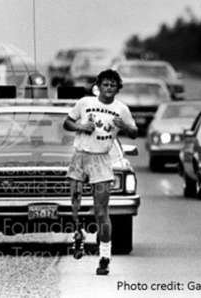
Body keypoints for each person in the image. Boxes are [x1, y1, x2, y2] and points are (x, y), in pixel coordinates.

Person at [63, 69, 137, 275]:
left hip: (102, 159)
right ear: (99, 86)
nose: (109, 88)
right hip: (80, 156)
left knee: (101, 211)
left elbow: (134, 132)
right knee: (75, 202)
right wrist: (80, 126)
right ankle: (78, 235)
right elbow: (66, 123)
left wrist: (124, 126)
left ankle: (104, 256)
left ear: (117, 88)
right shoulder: (85, 103)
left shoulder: (122, 109)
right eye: (105, 84)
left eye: (113, 85)